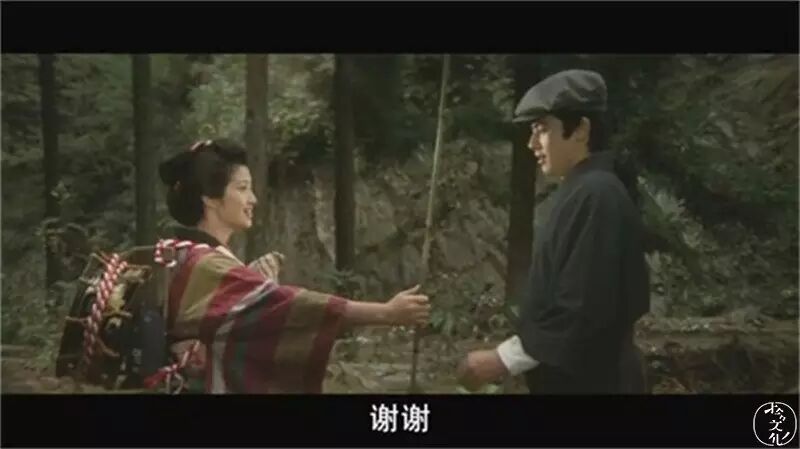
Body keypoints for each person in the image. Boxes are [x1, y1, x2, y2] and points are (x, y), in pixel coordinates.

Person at [154, 138, 430, 394]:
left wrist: (253, 283)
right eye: (242, 188)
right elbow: (296, 306)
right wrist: (386, 312)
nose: (253, 199)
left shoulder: (180, 254)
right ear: (210, 198)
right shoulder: (208, 265)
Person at [457, 69, 650, 394]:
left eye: (543, 129)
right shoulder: (585, 190)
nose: (532, 143)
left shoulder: (597, 195)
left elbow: (583, 306)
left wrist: (502, 359)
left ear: (581, 130)